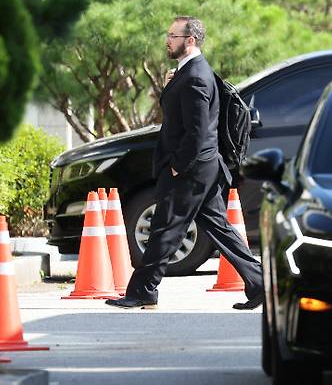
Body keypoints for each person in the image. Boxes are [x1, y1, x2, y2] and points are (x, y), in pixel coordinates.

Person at [105, 16, 263, 310]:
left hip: (191, 169)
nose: (167, 40)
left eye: (172, 36)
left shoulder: (195, 77)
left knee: (166, 228)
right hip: (203, 167)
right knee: (219, 229)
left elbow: (199, 130)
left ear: (189, 40)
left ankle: (143, 291)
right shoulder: (190, 73)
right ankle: (259, 285)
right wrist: (170, 87)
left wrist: (180, 165)